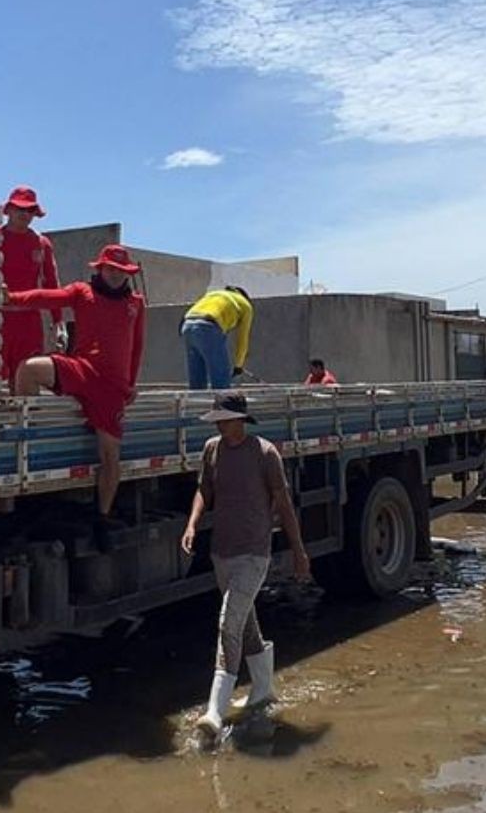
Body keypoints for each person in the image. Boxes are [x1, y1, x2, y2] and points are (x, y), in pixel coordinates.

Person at [182, 393, 311, 741]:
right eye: (217, 420)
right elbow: (203, 489)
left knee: (229, 622)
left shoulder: (265, 453)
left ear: (240, 420)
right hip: (222, 553)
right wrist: (192, 523)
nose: (220, 426)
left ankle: (214, 711)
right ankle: (263, 690)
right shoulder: (212, 449)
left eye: (224, 419)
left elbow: (284, 504)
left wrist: (299, 551)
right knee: (245, 624)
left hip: (254, 554)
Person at [9, 245, 147, 543]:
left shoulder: (136, 303)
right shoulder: (82, 292)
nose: (115, 275)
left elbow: (137, 346)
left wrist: (130, 384)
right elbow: (47, 297)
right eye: (110, 269)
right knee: (28, 369)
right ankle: (29, 434)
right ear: (100, 268)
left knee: (110, 455)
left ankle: (102, 517)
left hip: (112, 385)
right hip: (82, 369)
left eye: (121, 271)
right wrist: (12, 298)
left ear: (127, 274)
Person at [0, 186, 62, 387]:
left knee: (27, 378)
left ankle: (24, 409)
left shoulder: (41, 243)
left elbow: (51, 283)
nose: (25, 214)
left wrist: (58, 321)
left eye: (30, 210)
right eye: (20, 208)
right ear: (9, 210)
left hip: (29, 321)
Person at [182, 286, 255, 390]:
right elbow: (242, 340)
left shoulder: (213, 294)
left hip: (187, 325)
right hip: (208, 327)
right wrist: (238, 366)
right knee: (221, 378)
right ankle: (223, 400)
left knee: (197, 379)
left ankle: (196, 400)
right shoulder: (245, 305)